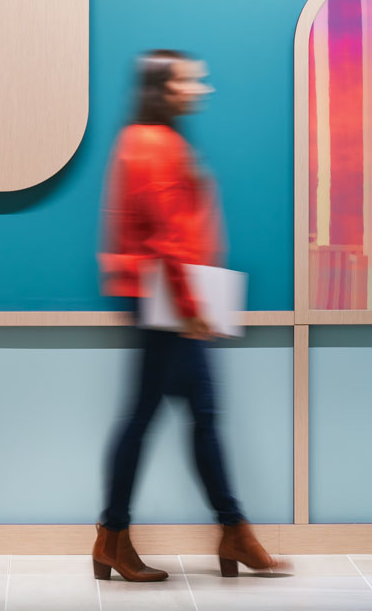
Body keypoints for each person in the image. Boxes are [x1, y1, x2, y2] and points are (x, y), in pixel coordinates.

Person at [93, 49, 287, 582]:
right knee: (177, 417)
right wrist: (193, 309)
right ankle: (217, 532)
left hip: (162, 301)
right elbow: (167, 239)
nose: (200, 89)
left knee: (177, 416)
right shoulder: (155, 145)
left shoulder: (146, 141)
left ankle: (217, 532)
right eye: (188, 81)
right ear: (163, 88)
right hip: (168, 305)